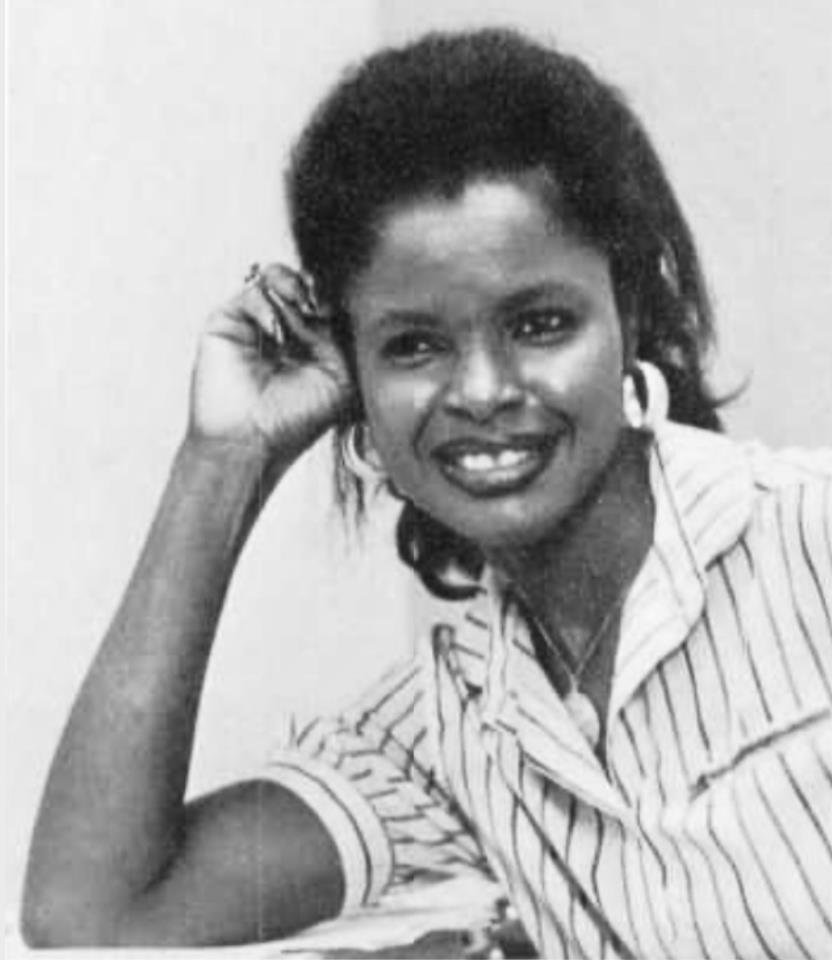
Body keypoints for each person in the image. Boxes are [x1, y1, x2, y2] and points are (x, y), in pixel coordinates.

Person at [22, 27, 832, 958]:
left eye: (539, 323)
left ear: (628, 317)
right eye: (413, 344)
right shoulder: (447, 726)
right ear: (354, 374)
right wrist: (222, 461)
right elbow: (95, 913)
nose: (482, 391)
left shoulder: (809, 542)